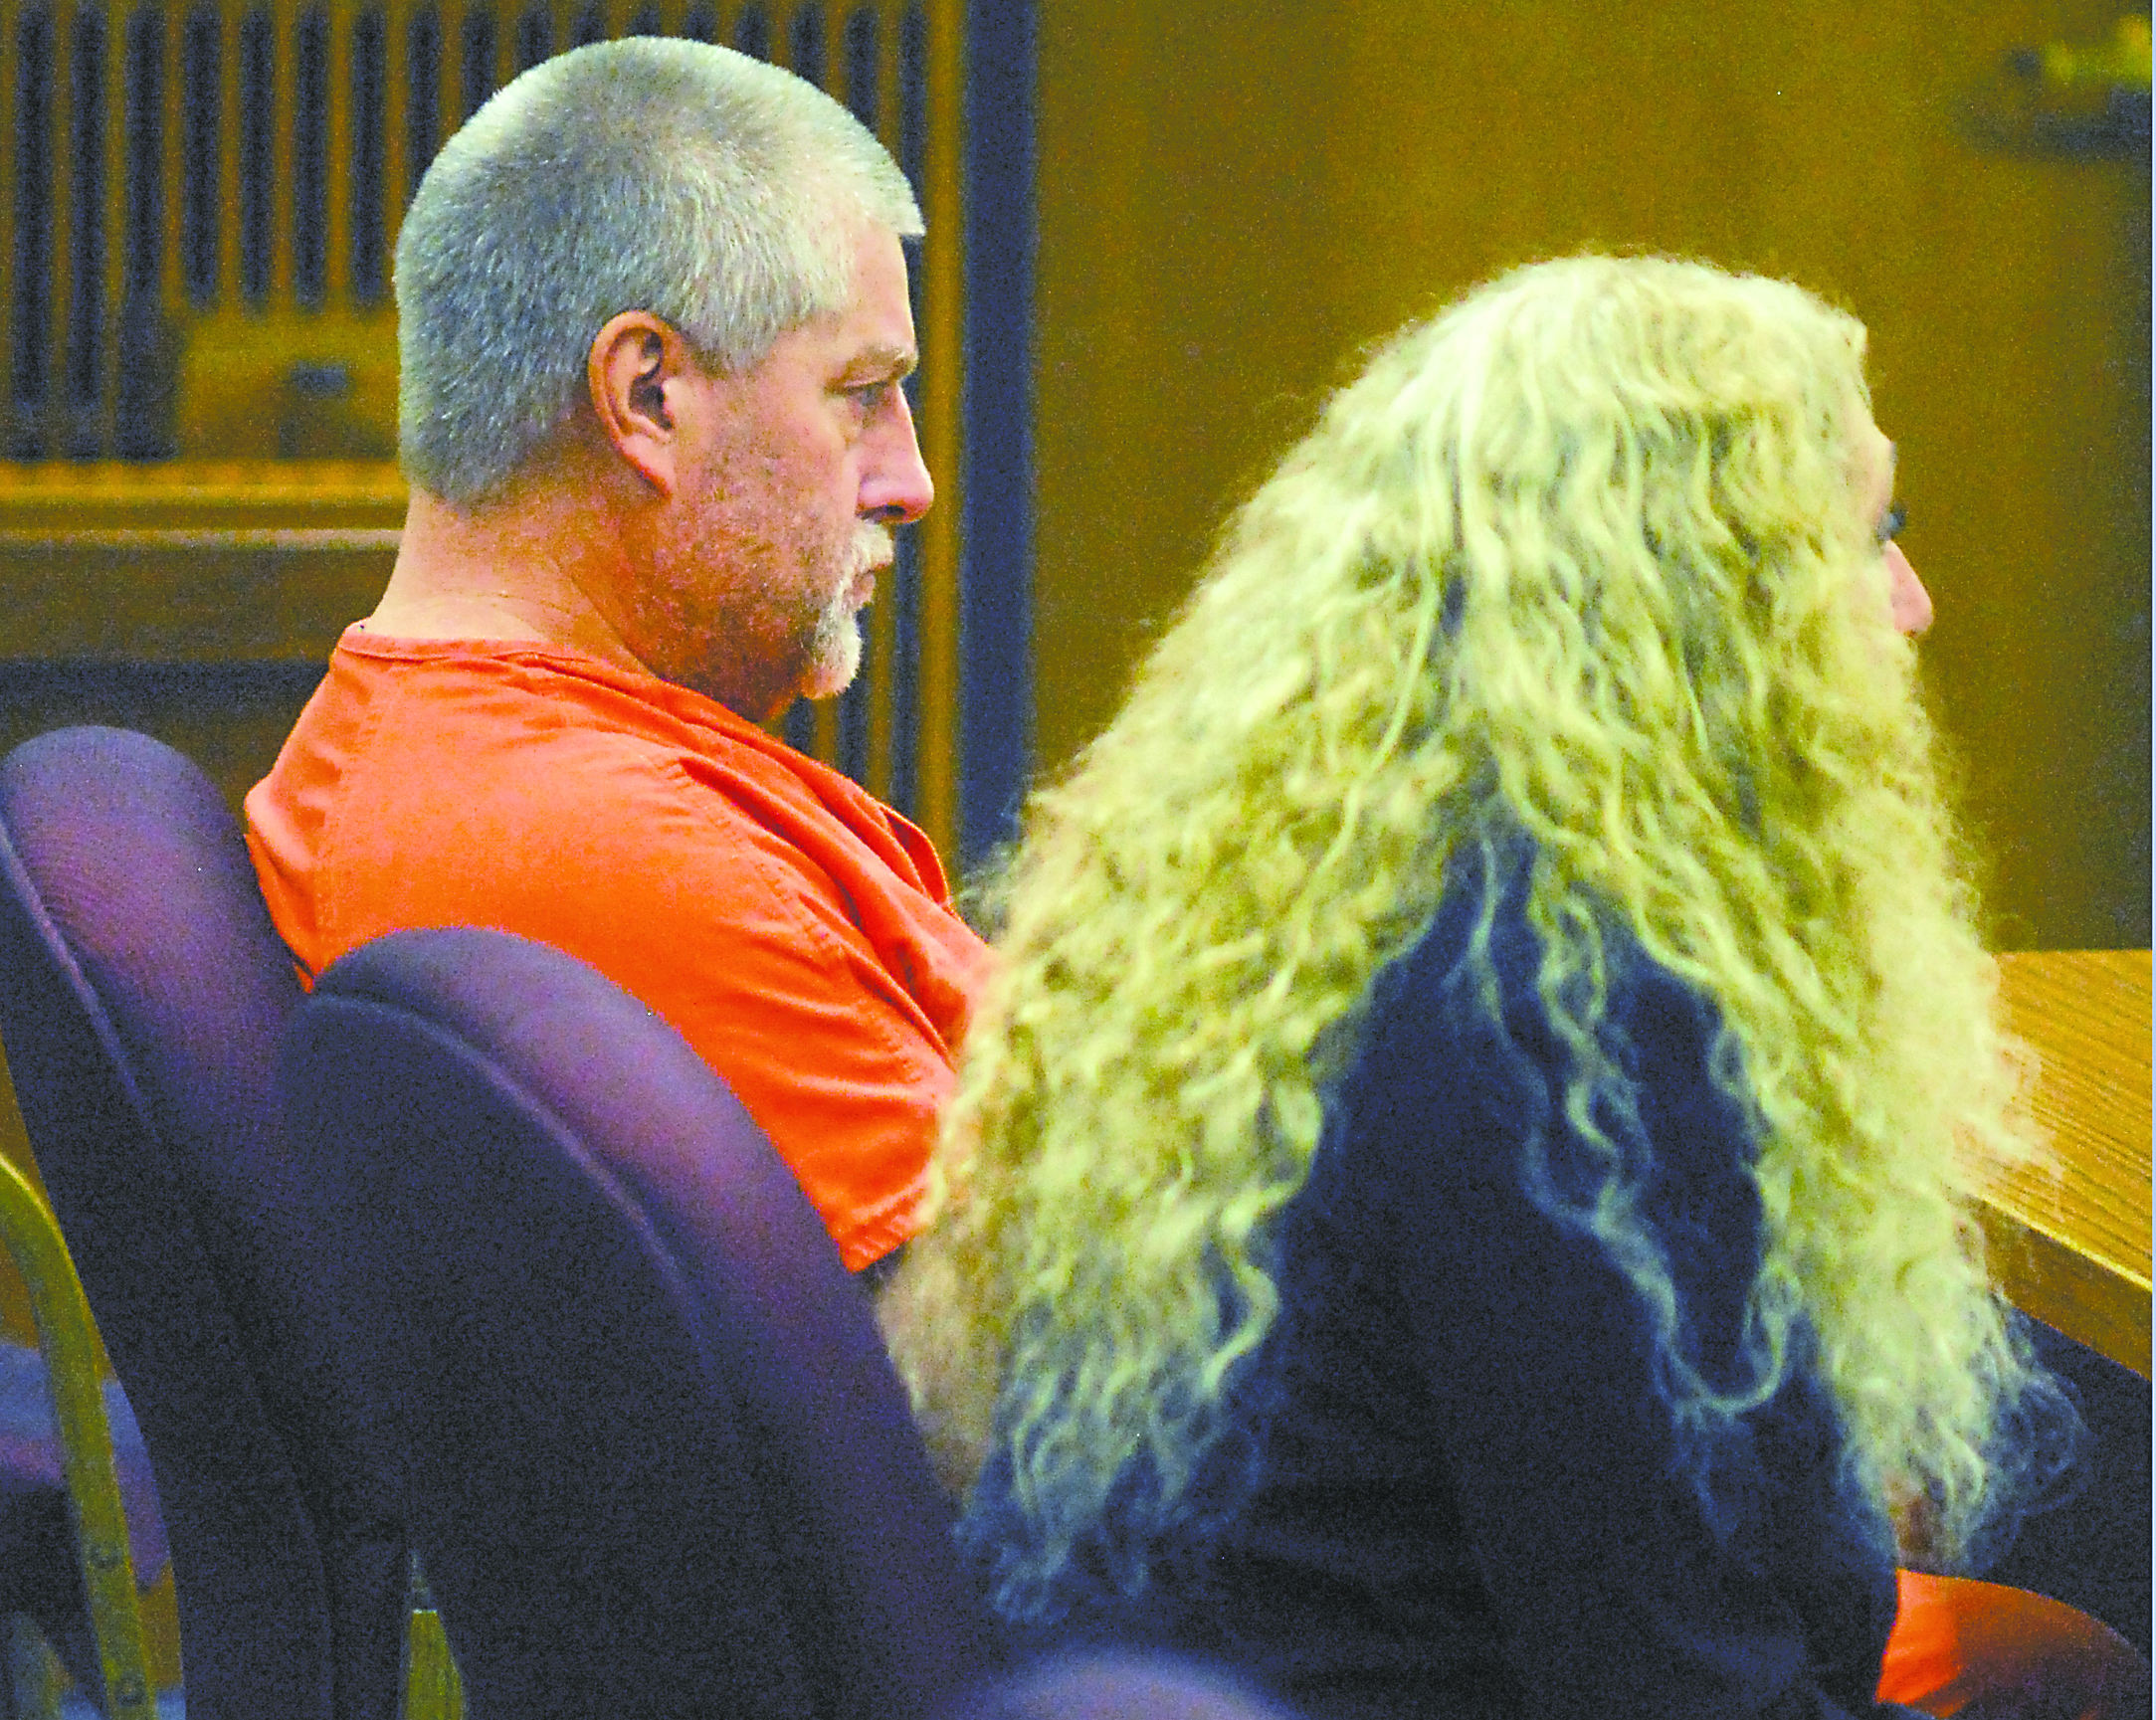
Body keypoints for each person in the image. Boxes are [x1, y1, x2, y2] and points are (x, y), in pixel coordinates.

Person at [882, 257, 2149, 1718]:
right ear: (1706, 607)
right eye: (1873, 534)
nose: (1911, 606)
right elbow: (1676, 1683)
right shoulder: (1568, 1000)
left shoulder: (1283, 891)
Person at [246, 37, 989, 1276]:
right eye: (861, 392)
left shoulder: (507, 758)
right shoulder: (598, 850)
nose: (908, 483)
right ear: (648, 397)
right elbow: (1068, 1402)